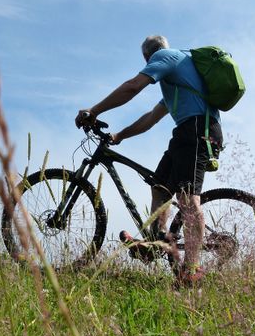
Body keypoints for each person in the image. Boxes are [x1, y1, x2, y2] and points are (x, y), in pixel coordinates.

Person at [75, 35, 223, 285]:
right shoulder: (177, 81)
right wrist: (120, 135)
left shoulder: (167, 57)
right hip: (187, 132)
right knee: (160, 188)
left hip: (199, 130)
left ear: (148, 57)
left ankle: (192, 269)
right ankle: (155, 244)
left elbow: (133, 87)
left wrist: (94, 110)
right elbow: (152, 117)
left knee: (188, 199)